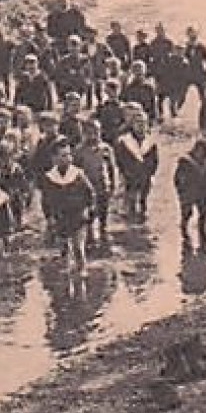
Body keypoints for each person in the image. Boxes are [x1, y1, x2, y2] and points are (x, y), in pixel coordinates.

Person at [41, 140, 96, 272]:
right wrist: (49, 217)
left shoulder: (78, 174)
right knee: (64, 245)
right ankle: (66, 269)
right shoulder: (49, 178)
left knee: (78, 246)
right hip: (60, 217)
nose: (68, 159)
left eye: (69, 155)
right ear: (54, 158)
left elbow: (90, 193)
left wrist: (89, 210)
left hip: (78, 215)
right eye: (63, 156)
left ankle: (82, 269)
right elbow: (45, 200)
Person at [74, 119, 117, 246]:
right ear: (84, 133)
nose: (93, 135)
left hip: (103, 185)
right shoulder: (79, 150)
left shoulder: (106, 149)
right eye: (89, 132)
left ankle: (103, 230)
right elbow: (76, 170)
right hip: (87, 186)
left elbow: (112, 168)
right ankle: (89, 235)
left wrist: (113, 184)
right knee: (89, 213)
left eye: (96, 132)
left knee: (103, 210)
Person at [114, 107, 159, 219]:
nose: (141, 126)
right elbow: (120, 159)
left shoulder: (150, 142)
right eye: (138, 123)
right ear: (132, 125)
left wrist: (150, 172)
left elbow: (154, 160)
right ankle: (130, 213)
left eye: (143, 123)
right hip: (129, 175)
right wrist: (126, 172)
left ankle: (143, 211)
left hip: (145, 174)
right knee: (130, 196)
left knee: (144, 196)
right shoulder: (125, 141)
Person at [174, 136, 206, 243]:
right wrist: (181, 191)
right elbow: (177, 178)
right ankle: (184, 232)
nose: (201, 153)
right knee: (187, 213)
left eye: (203, 151)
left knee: (203, 213)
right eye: (199, 150)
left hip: (203, 192)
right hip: (189, 192)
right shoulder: (185, 161)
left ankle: (202, 234)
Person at [184, 26, 206, 105]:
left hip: (199, 74)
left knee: (203, 96)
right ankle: (175, 110)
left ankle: (205, 111)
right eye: (190, 34)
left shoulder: (201, 47)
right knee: (181, 93)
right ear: (187, 35)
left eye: (194, 34)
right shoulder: (184, 47)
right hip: (187, 74)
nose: (192, 36)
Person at [95, 77, 128, 143]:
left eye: (114, 89)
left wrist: (116, 132)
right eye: (108, 91)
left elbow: (126, 123)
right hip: (103, 138)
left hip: (118, 139)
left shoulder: (123, 107)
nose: (111, 93)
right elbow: (97, 121)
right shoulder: (101, 106)